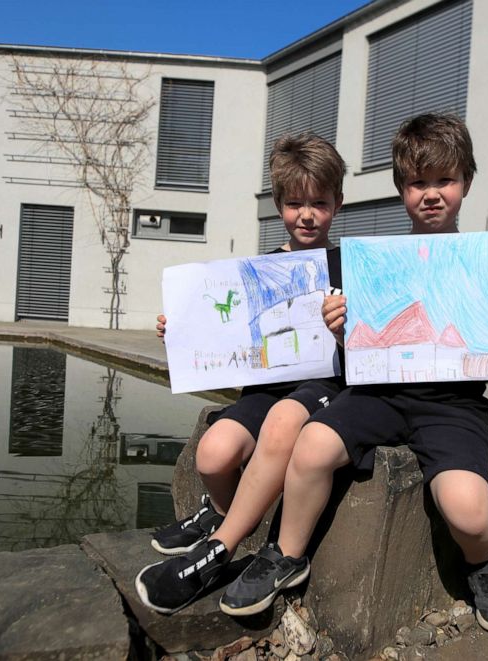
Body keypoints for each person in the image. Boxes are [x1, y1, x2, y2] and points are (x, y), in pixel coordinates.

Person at [216, 113, 488, 633]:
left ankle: (483, 563)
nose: (430, 194)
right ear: (401, 189)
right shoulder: (374, 263)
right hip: (377, 394)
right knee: (311, 446)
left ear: (466, 183)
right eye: (416, 183)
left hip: (452, 406)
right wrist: (340, 329)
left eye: (443, 181)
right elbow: (359, 345)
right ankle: (287, 555)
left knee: (469, 514)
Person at [135, 133, 347, 614]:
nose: (307, 214)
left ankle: (220, 548)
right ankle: (222, 509)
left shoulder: (350, 266)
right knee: (212, 455)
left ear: (337, 201)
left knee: (285, 423)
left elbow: (372, 347)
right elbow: (227, 336)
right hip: (264, 389)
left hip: (325, 388)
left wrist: (344, 332)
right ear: (278, 206)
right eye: (295, 204)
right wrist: (183, 333)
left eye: (319, 202)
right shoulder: (257, 270)